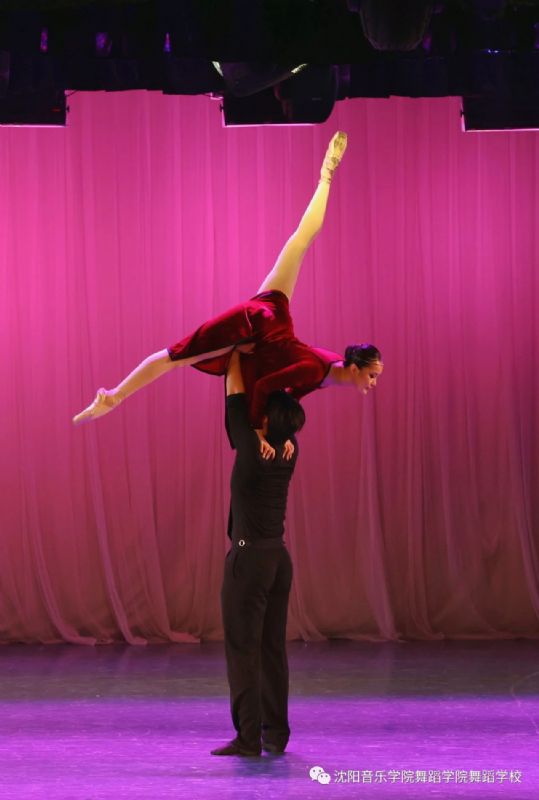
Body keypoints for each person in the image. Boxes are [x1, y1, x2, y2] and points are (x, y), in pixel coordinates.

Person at [72, 132, 383, 455]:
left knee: (301, 241)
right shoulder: (320, 370)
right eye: (372, 375)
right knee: (177, 356)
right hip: (258, 328)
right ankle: (114, 396)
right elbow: (266, 386)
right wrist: (257, 430)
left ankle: (327, 174)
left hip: (276, 317)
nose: (374, 383)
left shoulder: (331, 369)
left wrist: (284, 433)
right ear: (355, 369)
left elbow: (292, 394)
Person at [211, 349, 305, 757]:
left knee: (243, 650)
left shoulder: (252, 449)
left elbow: (234, 397)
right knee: (272, 650)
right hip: (278, 561)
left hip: (248, 562)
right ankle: (276, 734)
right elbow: (277, 413)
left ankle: (248, 738)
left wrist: (235, 353)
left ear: (265, 420)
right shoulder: (290, 448)